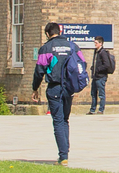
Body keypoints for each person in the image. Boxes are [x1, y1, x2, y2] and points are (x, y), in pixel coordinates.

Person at [31, 23, 82, 165]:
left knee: (58, 120)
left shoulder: (46, 48)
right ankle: (65, 151)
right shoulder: (73, 46)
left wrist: (35, 89)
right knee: (65, 119)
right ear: (59, 31)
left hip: (55, 87)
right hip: (69, 87)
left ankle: (63, 156)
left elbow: (39, 71)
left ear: (47, 33)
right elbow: (81, 64)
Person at [90, 38, 116, 115]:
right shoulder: (96, 52)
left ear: (100, 43)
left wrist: (98, 69)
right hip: (95, 76)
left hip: (101, 76)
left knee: (101, 94)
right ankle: (92, 109)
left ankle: (101, 109)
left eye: (96, 43)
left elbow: (106, 65)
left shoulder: (103, 52)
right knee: (93, 93)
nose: (95, 44)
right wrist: (93, 68)